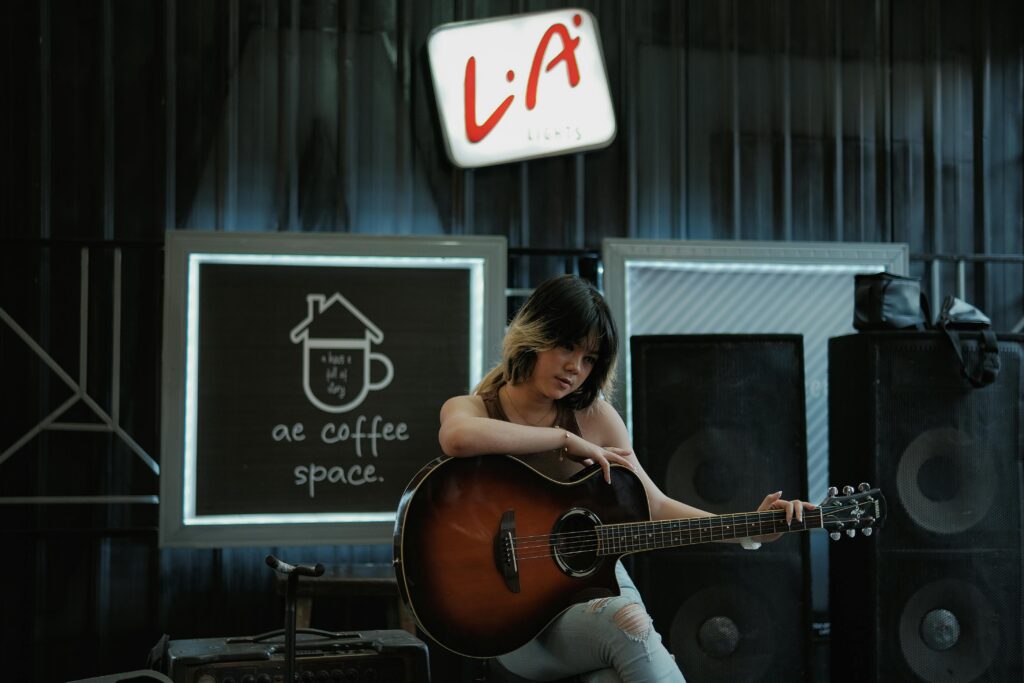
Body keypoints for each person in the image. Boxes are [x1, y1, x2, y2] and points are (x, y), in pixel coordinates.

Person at [438, 274, 814, 683]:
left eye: (589, 359)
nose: (574, 368)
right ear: (534, 333)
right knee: (627, 624)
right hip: (513, 619)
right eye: (567, 346)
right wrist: (564, 440)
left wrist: (751, 527)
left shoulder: (596, 417)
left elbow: (653, 506)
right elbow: (456, 437)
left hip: (598, 592)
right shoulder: (474, 408)